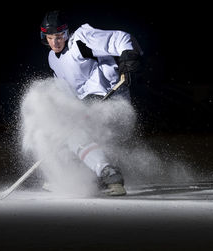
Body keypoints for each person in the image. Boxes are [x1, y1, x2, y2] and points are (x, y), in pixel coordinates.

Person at [39, 10, 142, 195]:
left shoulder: (81, 39)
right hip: (86, 104)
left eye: (59, 36)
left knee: (75, 136)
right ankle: (83, 178)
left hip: (110, 99)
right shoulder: (52, 59)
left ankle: (110, 176)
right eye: (50, 37)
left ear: (67, 33)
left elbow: (121, 38)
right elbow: (67, 92)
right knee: (59, 136)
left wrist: (128, 55)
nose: (55, 42)